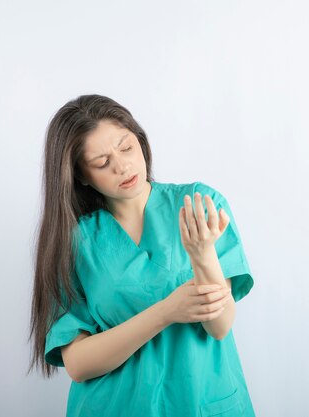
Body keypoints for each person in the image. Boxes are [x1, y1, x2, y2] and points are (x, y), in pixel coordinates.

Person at [27, 94, 255, 416]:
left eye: (126, 147)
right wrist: (165, 312)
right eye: (102, 163)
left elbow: (219, 326)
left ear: (139, 138)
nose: (123, 166)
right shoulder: (75, 242)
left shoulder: (199, 203)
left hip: (201, 401)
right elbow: (77, 363)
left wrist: (202, 254)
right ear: (80, 175)